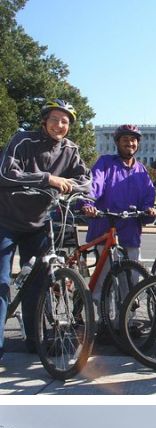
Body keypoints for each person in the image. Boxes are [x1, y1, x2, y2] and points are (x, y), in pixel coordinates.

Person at [0, 99, 91, 360]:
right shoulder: (22, 140)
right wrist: (48, 178)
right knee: (1, 282)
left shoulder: (70, 150)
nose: (59, 125)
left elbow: (86, 181)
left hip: (39, 223)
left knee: (38, 286)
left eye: (65, 122)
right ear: (44, 121)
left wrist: (71, 186)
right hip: (6, 220)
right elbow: (5, 174)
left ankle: (35, 340)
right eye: (54, 119)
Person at [82, 124, 156, 272]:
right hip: (105, 231)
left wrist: (149, 210)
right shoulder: (106, 163)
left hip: (130, 234)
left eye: (133, 140)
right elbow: (95, 184)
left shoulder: (141, 170)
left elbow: (148, 195)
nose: (130, 143)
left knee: (132, 285)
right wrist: (87, 203)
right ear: (117, 142)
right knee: (102, 286)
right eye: (125, 139)